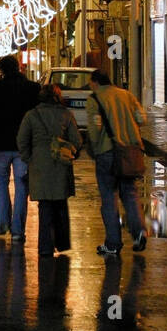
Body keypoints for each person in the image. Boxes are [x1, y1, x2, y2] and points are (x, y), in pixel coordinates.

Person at [86, 69, 148, 258]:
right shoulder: (127, 95)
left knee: (109, 198)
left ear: (95, 82)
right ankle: (139, 232)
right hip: (129, 152)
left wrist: (94, 149)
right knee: (130, 193)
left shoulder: (95, 99)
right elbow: (142, 118)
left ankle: (113, 243)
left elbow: (95, 129)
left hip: (107, 152)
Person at [0, 54, 41, 240]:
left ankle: (3, 223)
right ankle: (18, 230)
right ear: (19, 68)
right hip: (23, 145)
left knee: (1, 183)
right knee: (22, 186)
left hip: (2, 143)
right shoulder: (32, 88)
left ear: (2, 71)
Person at [17, 84, 82, 258]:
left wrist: (29, 158)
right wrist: (70, 152)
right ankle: (61, 243)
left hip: (39, 165)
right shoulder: (66, 115)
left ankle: (45, 247)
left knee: (45, 206)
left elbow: (22, 141)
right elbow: (77, 140)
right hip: (61, 164)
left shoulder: (31, 115)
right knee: (60, 204)